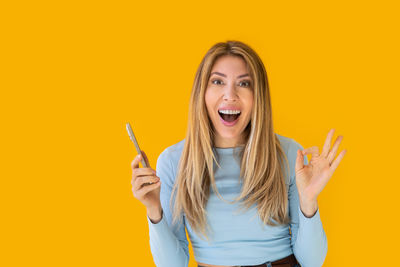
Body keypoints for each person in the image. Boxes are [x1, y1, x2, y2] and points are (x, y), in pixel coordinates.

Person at [131, 40, 347, 267]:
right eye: (217, 81)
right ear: (202, 92)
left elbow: (312, 262)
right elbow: (172, 265)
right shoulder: (173, 161)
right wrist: (154, 210)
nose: (230, 95)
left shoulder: (289, 153)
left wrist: (309, 201)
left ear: (258, 97)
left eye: (244, 83)